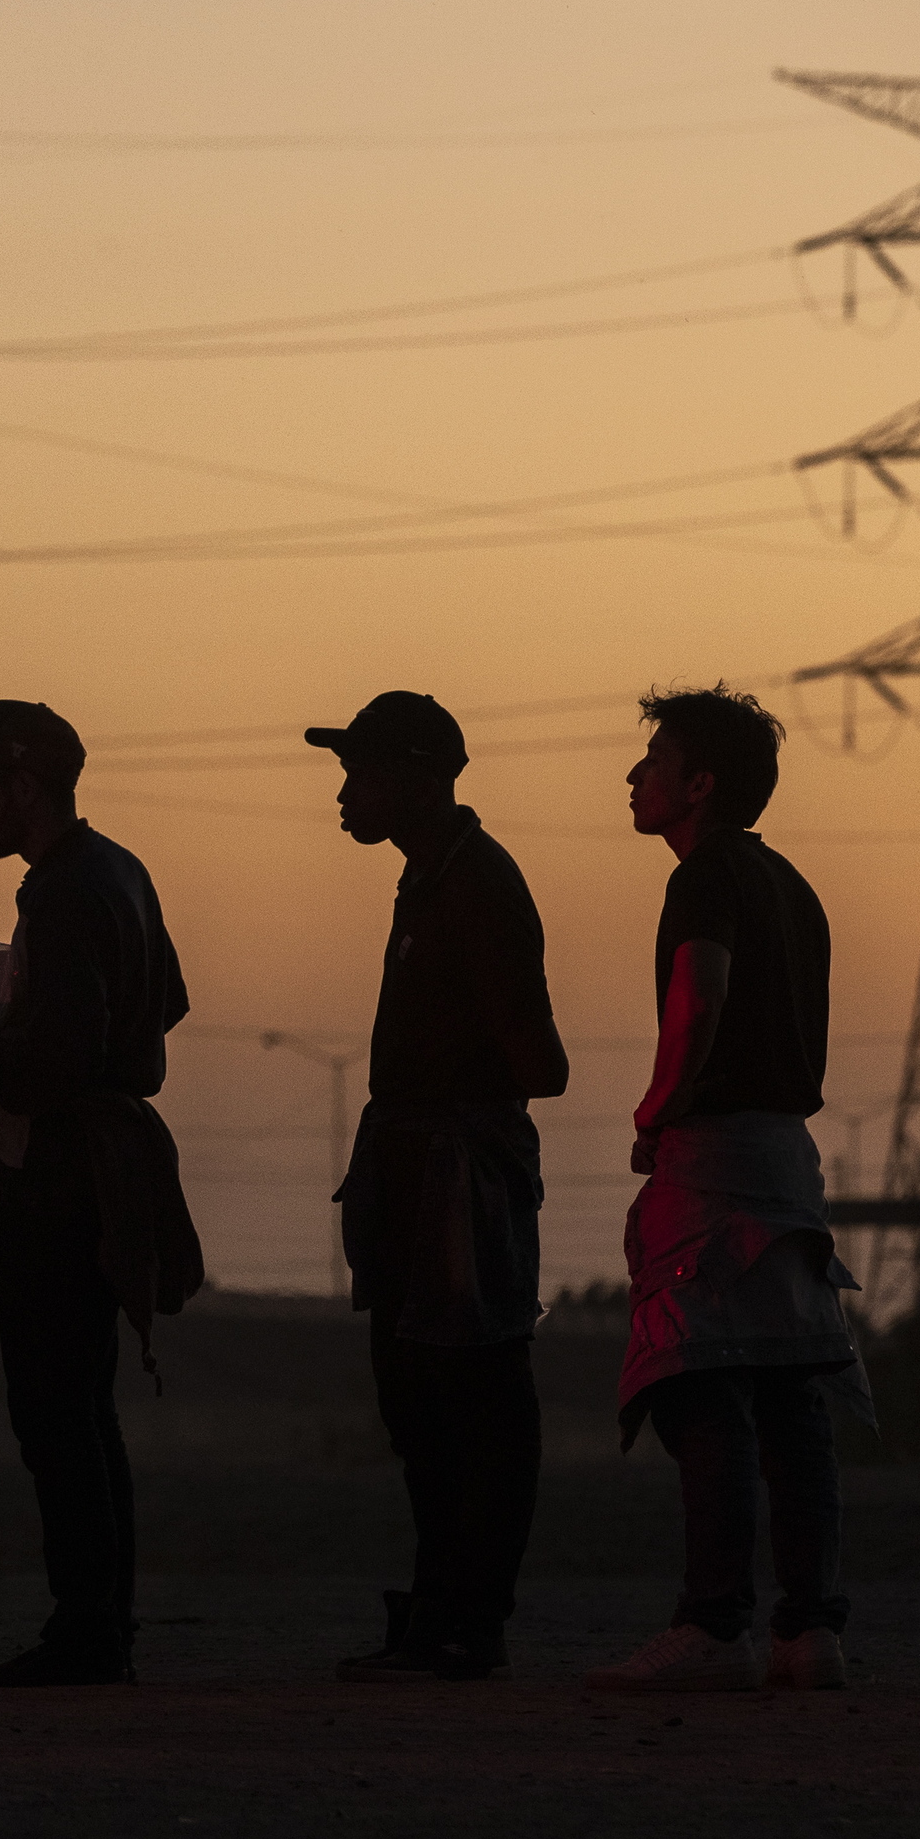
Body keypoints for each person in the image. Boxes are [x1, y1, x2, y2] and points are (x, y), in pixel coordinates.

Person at [588, 684, 871, 1696]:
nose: (636, 775)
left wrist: (656, 1110)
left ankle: (714, 1623)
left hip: (715, 1161)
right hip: (790, 1163)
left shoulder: (703, 879)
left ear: (697, 785)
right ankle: (810, 1628)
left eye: (654, 758)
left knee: (700, 1383)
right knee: (793, 1394)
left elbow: (696, 996)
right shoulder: (792, 886)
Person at [0, 701, 200, 1688]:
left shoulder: (65, 891)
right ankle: (97, 1624)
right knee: (83, 1404)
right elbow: (162, 1000)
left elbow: (59, 1054)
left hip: (66, 1174)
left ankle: (87, 1633)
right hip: (104, 1163)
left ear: (23, 785)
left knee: (54, 1407)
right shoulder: (117, 870)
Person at [308, 692, 568, 1685]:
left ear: (417, 777)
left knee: (478, 1392)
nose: (344, 792)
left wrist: (457, 1132)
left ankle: (468, 1618)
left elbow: (537, 1060)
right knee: (419, 1395)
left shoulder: (476, 885)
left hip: (458, 1166)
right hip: (426, 1159)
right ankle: (443, 1611)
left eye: (359, 771)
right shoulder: (436, 875)